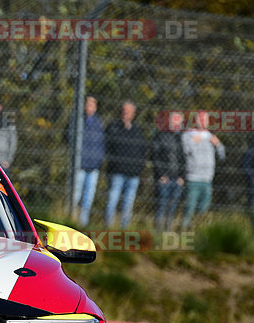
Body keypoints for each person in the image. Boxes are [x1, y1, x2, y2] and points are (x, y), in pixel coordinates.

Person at [104, 100, 147, 228]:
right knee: (112, 200)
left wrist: (139, 168)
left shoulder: (137, 131)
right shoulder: (113, 127)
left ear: (133, 114)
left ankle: (124, 228)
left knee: (128, 203)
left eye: (128, 111)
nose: (125, 113)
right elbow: (108, 147)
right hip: (117, 171)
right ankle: (108, 226)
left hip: (133, 173)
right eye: (123, 111)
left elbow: (142, 151)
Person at [181, 111, 225, 230]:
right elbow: (185, 150)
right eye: (200, 119)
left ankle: (198, 232)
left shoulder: (210, 136)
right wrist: (195, 140)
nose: (203, 121)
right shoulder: (188, 135)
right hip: (193, 178)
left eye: (205, 119)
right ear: (195, 120)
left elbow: (222, 155)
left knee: (204, 209)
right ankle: (184, 231)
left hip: (207, 179)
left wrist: (218, 144)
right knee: (189, 207)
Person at [73, 95, 105, 226]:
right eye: (87, 104)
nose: (89, 107)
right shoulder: (77, 121)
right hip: (79, 165)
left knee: (88, 198)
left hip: (93, 167)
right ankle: (71, 221)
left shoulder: (99, 123)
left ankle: (82, 225)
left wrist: (98, 160)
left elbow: (102, 144)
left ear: (95, 107)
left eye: (92, 105)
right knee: (75, 195)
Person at [152, 111, 186, 231]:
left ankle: (168, 230)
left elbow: (183, 158)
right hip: (164, 179)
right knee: (162, 205)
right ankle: (158, 231)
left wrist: (182, 177)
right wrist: (161, 174)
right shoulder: (160, 136)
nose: (176, 123)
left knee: (172, 207)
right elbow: (155, 156)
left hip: (177, 180)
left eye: (178, 120)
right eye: (173, 120)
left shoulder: (180, 138)